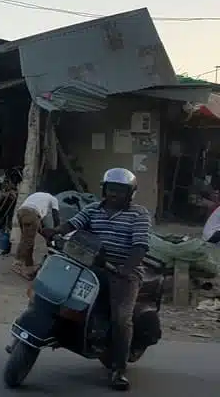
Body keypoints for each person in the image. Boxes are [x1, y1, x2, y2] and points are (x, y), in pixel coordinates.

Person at [41, 168, 150, 391]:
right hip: (90, 266)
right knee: (57, 292)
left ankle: (118, 369)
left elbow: (140, 246)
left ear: (130, 193)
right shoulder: (92, 209)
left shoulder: (139, 214)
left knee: (121, 318)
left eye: (120, 191)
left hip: (123, 272)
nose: (114, 194)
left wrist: (126, 268)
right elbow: (72, 225)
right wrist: (55, 231)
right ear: (104, 190)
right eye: (110, 189)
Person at [13, 191, 60, 280]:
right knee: (28, 241)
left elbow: (40, 228)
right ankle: (17, 263)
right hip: (32, 214)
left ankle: (29, 267)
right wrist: (58, 232)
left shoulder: (38, 196)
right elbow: (56, 216)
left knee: (27, 239)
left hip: (21, 212)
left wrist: (47, 238)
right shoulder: (54, 199)